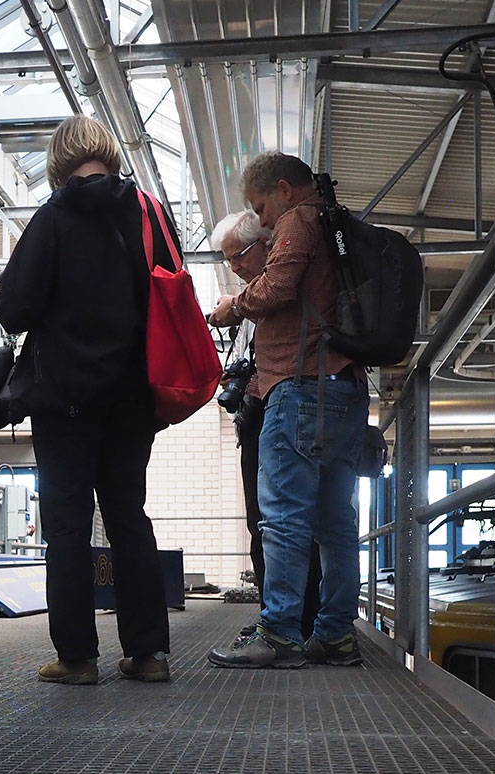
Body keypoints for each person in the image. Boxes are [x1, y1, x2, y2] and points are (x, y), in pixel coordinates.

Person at [0, 115, 174, 686]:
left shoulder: (52, 218)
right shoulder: (147, 213)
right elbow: (173, 292)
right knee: (129, 519)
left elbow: (13, 307)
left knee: (67, 530)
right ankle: (147, 655)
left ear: (57, 166)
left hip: (64, 402)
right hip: (130, 400)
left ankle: (76, 659)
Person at [206, 152, 368, 669]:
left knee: (283, 521)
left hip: (300, 389)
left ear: (283, 189)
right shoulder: (335, 221)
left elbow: (277, 287)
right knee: (336, 525)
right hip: (343, 389)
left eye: (262, 208)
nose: (267, 221)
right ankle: (335, 635)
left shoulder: (301, 218)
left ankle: (278, 634)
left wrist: (231, 306)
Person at [210, 209, 322, 639]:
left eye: (238, 256)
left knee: (282, 522)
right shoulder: (258, 299)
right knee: (266, 522)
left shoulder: (275, 292)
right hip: (261, 415)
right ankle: (278, 619)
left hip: (281, 410)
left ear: (265, 246)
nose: (234, 267)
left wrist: (236, 309)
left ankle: (291, 625)